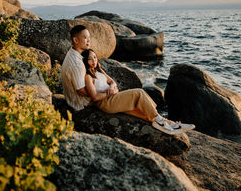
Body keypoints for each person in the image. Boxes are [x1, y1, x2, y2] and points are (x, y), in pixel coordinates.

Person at [61, 25, 192, 134]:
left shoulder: (83, 59)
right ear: (76, 40)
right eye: (85, 38)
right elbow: (82, 91)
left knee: (139, 110)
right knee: (138, 93)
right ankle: (161, 121)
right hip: (84, 104)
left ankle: (171, 124)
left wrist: (112, 87)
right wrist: (108, 93)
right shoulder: (77, 63)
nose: (88, 40)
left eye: (89, 37)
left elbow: (109, 80)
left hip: (105, 97)